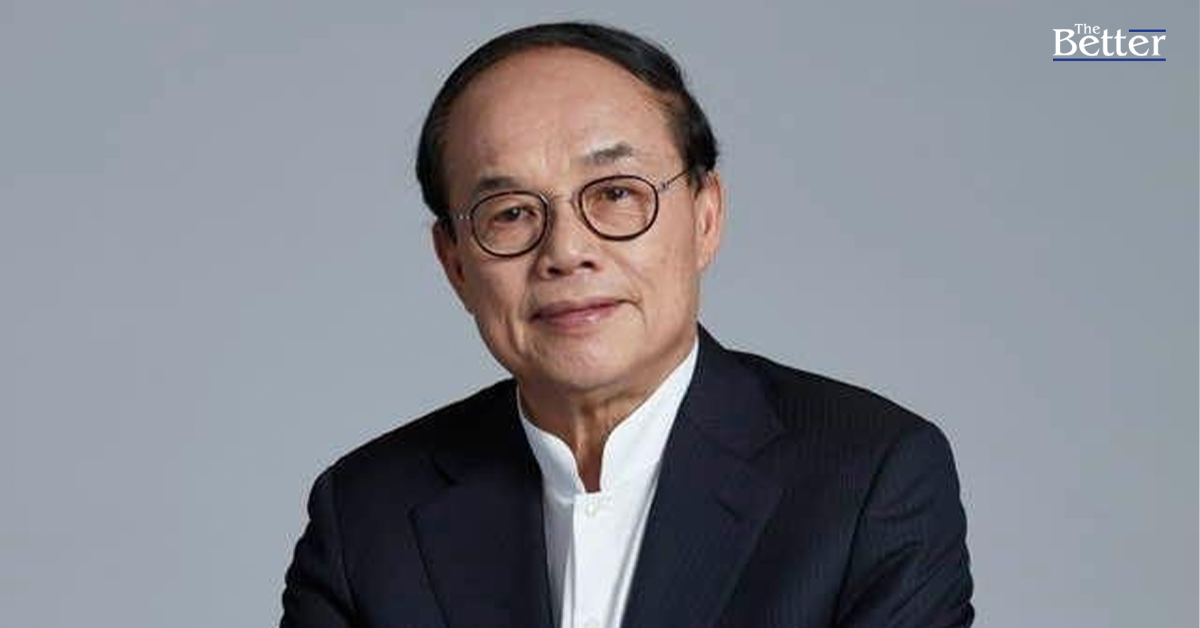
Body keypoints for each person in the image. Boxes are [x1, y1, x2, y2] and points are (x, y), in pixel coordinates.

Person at [280, 21, 975, 628]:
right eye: (511, 213)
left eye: (615, 194)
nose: (566, 251)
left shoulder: (869, 481)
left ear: (706, 217)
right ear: (455, 263)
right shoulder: (365, 516)